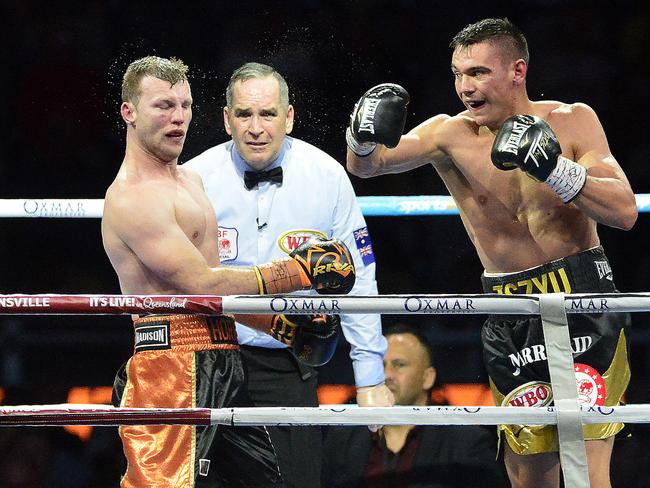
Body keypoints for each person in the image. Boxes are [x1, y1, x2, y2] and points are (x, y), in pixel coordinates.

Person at [345, 17, 636, 488]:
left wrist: (554, 169)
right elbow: (369, 165)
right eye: (458, 74)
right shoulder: (447, 135)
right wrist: (360, 136)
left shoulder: (572, 119)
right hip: (510, 309)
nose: (464, 86)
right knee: (530, 478)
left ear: (517, 71)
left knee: (587, 470)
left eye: (478, 72)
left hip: (583, 301)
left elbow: (624, 211)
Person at [101, 55, 356, 487]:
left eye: (184, 105)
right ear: (129, 112)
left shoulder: (190, 183)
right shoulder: (132, 199)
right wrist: (299, 272)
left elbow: (213, 298)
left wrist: (277, 325)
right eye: (163, 105)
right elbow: (202, 283)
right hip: (171, 368)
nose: (178, 117)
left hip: (224, 358)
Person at [183, 61, 392, 488]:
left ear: (289, 117)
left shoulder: (327, 176)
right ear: (227, 119)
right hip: (208, 359)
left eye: (268, 114)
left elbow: (360, 278)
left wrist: (370, 376)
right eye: (244, 114)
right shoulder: (193, 178)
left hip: (288, 361)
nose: (256, 127)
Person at [322, 323, 508, 487]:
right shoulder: (340, 441)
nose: (386, 375)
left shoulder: (468, 443)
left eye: (399, 365)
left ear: (428, 378)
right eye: (380, 365)